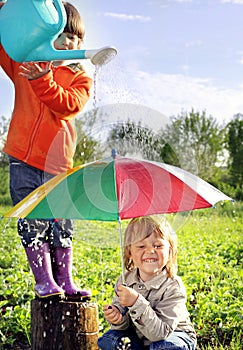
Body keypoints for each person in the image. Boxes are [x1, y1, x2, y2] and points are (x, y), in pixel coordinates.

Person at [0, 2, 92, 300]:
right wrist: (9, 11)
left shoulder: (81, 77)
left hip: (57, 164)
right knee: (31, 220)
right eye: (63, 34)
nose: (69, 42)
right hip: (22, 159)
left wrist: (42, 79)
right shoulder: (25, 62)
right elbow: (6, 40)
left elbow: (68, 105)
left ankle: (65, 280)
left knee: (60, 224)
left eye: (76, 37)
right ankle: (44, 281)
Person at [98, 216, 197, 350]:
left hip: (173, 335)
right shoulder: (125, 280)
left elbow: (161, 333)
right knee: (111, 340)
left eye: (158, 245)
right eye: (141, 246)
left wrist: (136, 302)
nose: (150, 251)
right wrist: (118, 319)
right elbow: (124, 326)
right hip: (138, 336)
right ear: (130, 252)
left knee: (164, 347)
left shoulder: (173, 286)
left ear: (170, 250)